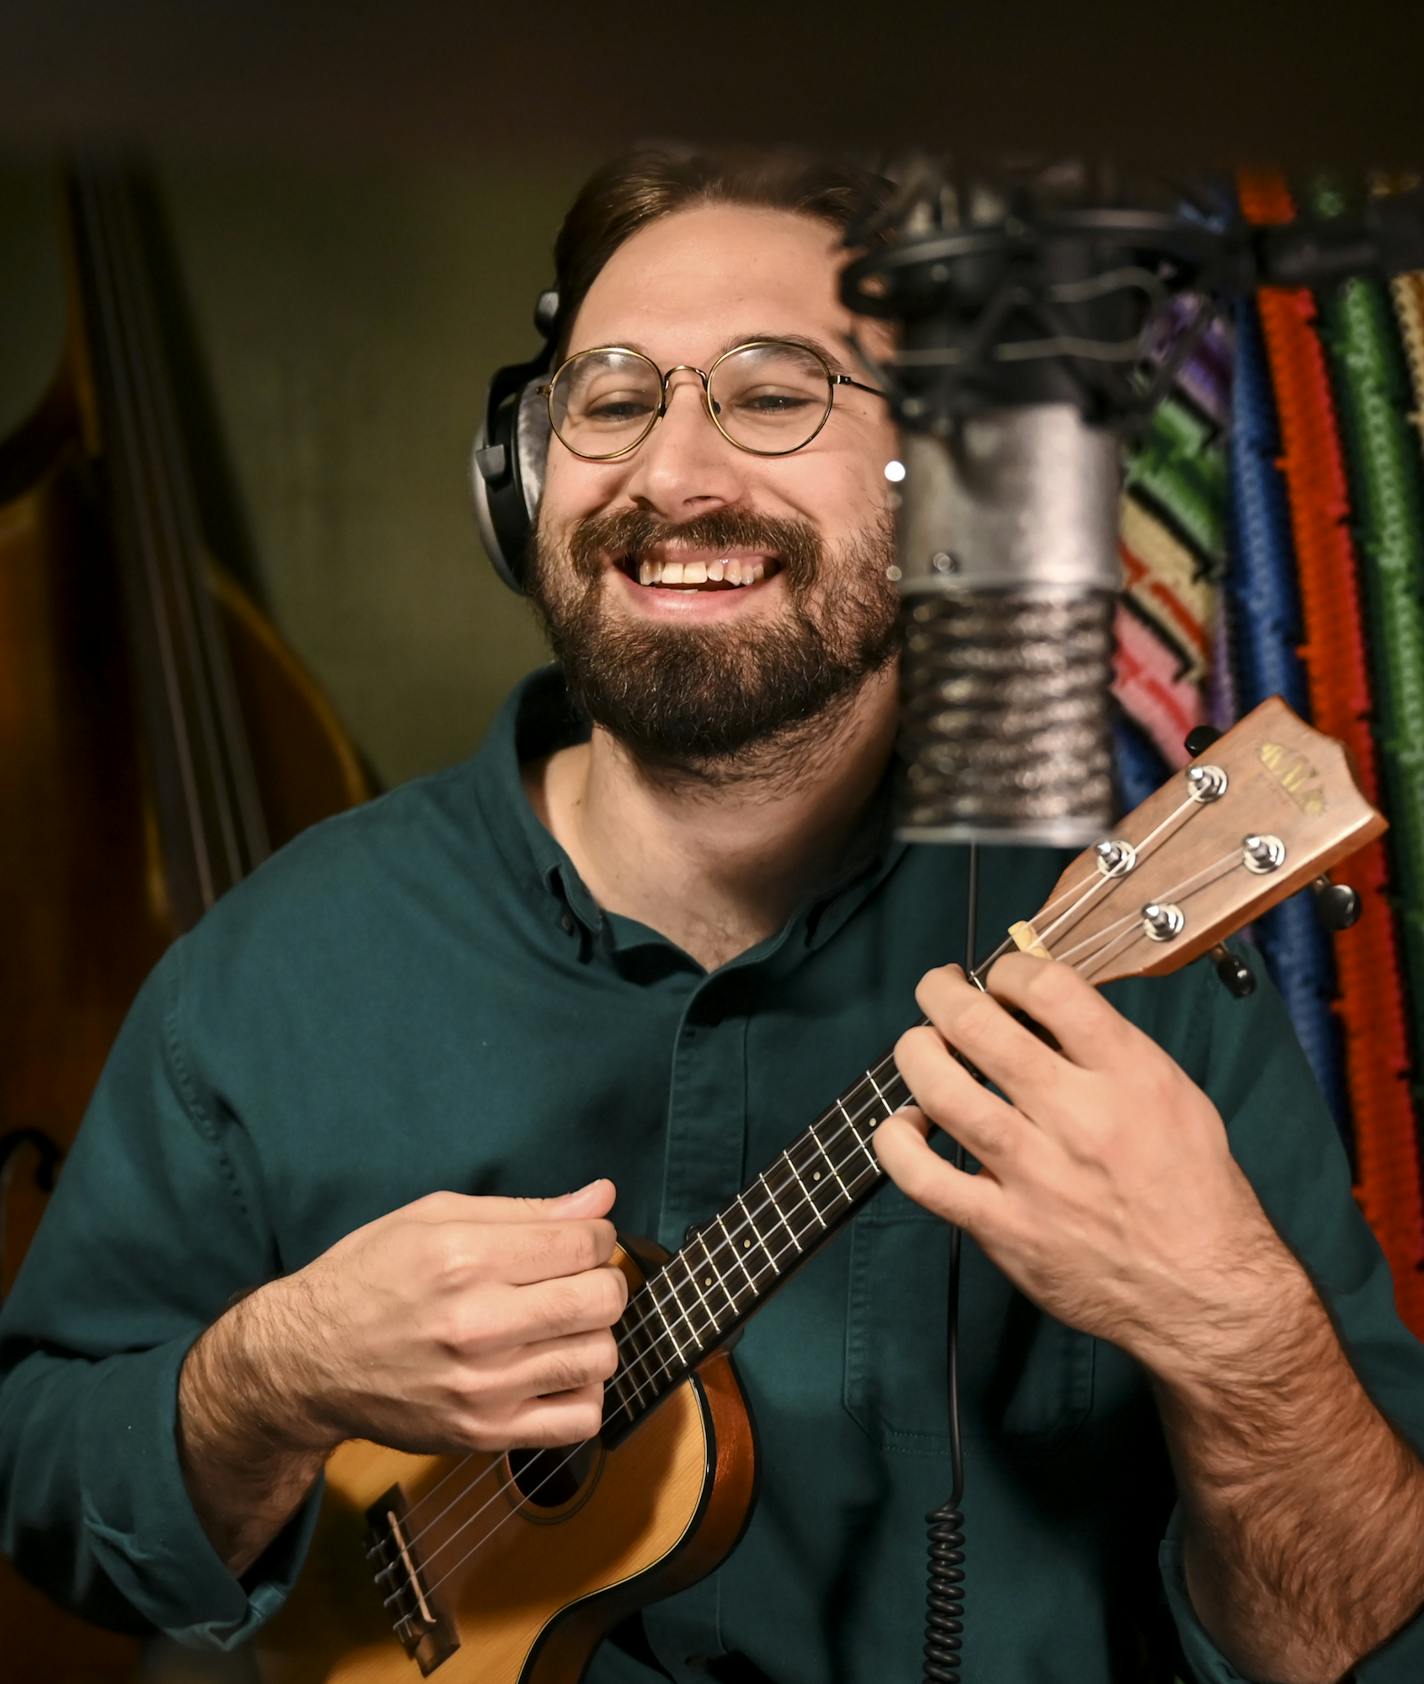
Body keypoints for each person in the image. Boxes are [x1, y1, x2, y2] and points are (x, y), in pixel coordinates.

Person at [2, 144, 1423, 1684]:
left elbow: (1356, 1641)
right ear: (522, 480)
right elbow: (49, 1487)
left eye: (772, 394)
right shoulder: (280, 969)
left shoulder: (1132, 980)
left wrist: (1237, 1335)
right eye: (613, 401)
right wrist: (272, 1376)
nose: (673, 476)